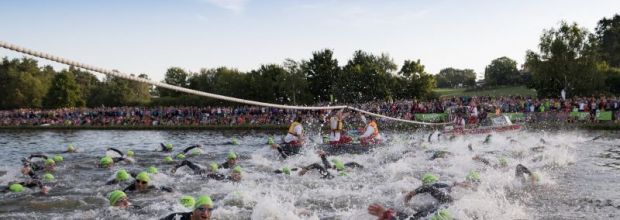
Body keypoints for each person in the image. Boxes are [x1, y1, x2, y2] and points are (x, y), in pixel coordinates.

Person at [299, 151, 363, 178]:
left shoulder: (333, 172)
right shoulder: (341, 168)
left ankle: (304, 169)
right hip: (335, 173)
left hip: (331, 176)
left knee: (323, 166)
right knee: (328, 167)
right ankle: (323, 156)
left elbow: (316, 165)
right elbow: (353, 163)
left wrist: (305, 169)